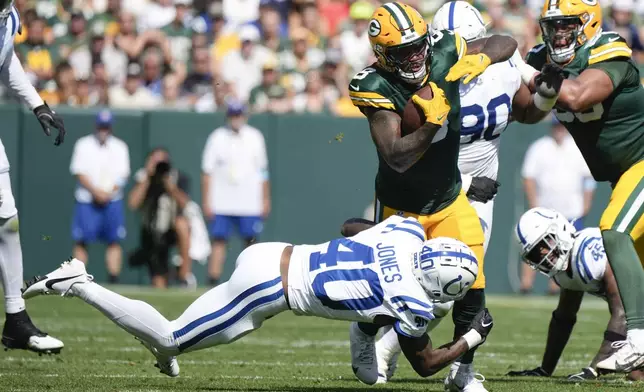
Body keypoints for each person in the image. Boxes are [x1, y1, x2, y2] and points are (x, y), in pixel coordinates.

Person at [348, 2, 554, 390]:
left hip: (450, 195)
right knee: (394, 285)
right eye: (401, 53)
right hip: (404, 199)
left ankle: (462, 372)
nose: (413, 58)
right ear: (382, 56)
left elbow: (504, 44)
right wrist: (432, 123)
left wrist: (478, 60)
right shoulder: (372, 85)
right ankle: (364, 332)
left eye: (417, 47)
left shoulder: (445, 50)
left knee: (468, 278)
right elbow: (396, 156)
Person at [22, 215, 494, 383]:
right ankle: (79, 281)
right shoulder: (412, 298)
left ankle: (365, 328)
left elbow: (350, 228)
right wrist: (472, 336)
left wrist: (371, 254)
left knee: (379, 311)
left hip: (277, 252)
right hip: (267, 290)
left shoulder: (409, 232)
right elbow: (427, 364)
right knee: (170, 338)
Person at [518, 0, 644, 372]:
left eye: (567, 25)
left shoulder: (608, 50)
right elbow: (529, 112)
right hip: (624, 174)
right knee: (635, 270)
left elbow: (575, 95)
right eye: (552, 26)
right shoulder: (543, 57)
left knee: (614, 232)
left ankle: (637, 340)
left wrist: (524, 68)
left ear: (587, 25)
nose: (558, 34)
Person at [507, 207, 644, 381]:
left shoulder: (590, 252)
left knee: (636, 373)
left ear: (560, 230)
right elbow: (564, 317)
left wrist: (594, 369)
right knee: (636, 373)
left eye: (543, 244)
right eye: (534, 253)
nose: (541, 253)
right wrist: (545, 369)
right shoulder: (567, 270)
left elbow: (623, 312)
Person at [0, 1, 66, 354]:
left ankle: (16, 319)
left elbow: (5, 58)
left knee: (6, 218)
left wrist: (37, 103)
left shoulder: (8, 15)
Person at [520, 118, 595, 294]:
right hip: (546, 210)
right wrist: (534, 203)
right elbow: (528, 176)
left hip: (571, 209)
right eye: (556, 126)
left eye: (562, 126)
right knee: (533, 245)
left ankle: (557, 287)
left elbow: (588, 178)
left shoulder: (577, 147)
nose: (559, 130)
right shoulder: (540, 147)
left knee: (566, 250)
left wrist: (587, 202)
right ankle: (526, 285)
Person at [201, 100, 271, 286]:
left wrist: (265, 199)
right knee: (219, 241)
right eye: (233, 114)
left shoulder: (255, 137)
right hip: (221, 201)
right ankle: (212, 282)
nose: (236, 118)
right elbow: (207, 171)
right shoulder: (217, 137)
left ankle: (250, 282)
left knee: (250, 242)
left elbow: (263, 171)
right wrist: (207, 201)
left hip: (249, 202)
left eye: (239, 114)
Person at [70, 110, 130, 283]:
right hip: (87, 200)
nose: (104, 130)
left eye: (107, 126)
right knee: (81, 240)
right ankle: (77, 278)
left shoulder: (120, 146)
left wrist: (107, 193)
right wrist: (96, 192)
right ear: (96, 125)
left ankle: (113, 279)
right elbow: (79, 172)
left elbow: (123, 175)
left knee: (114, 240)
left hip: (112, 200)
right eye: (101, 126)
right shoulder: (83, 144)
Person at [127, 148, 195, 289]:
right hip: (152, 233)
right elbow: (133, 203)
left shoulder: (176, 177)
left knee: (182, 224)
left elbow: (185, 203)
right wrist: (147, 177)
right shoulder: (143, 179)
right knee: (159, 282)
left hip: (171, 229)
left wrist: (170, 186)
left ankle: (184, 276)